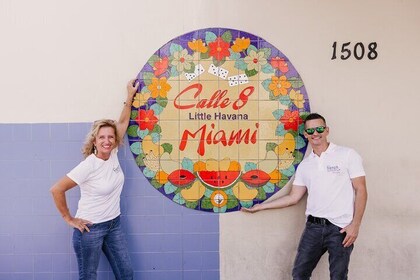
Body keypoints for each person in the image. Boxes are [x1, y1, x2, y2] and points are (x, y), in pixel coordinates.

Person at [242, 113, 367, 280]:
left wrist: (355, 225)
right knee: (299, 275)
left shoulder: (347, 155)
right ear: (306, 134)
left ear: (327, 130)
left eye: (319, 128)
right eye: (310, 130)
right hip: (313, 228)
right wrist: (261, 206)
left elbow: (361, 189)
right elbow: (293, 197)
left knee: (338, 277)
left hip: (341, 229)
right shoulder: (305, 165)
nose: (316, 133)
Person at [50, 79, 139, 280]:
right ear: (95, 141)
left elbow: (123, 122)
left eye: (110, 137)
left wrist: (129, 95)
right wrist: (69, 218)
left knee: (126, 274)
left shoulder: (114, 152)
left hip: (113, 225)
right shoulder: (88, 166)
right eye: (102, 138)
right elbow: (57, 189)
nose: (107, 141)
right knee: (88, 276)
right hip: (90, 230)